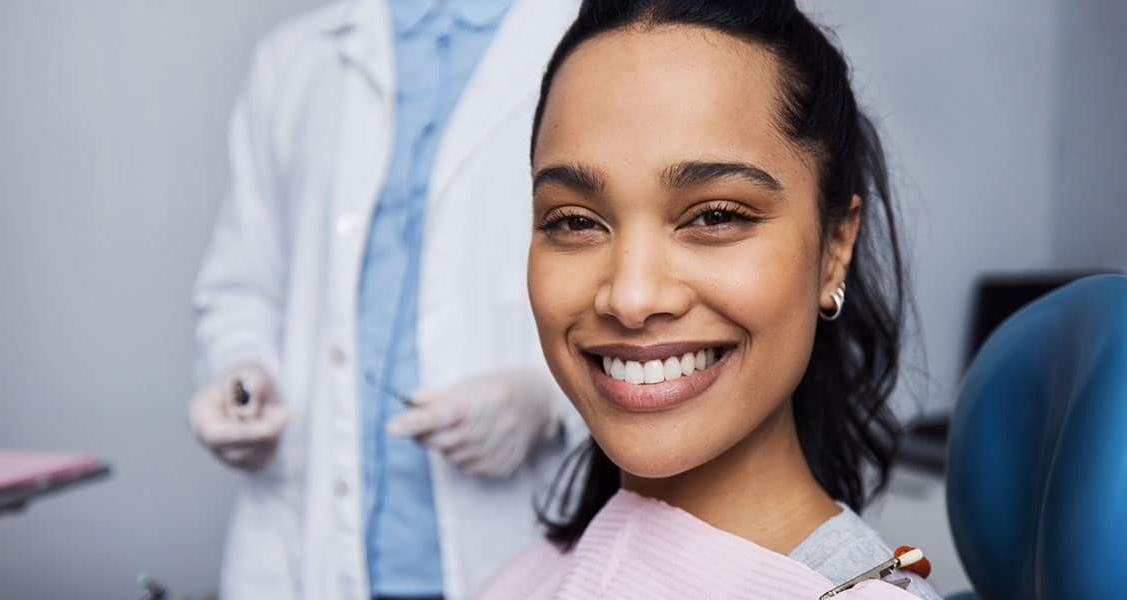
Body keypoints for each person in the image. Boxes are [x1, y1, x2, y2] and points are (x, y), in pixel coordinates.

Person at [481, 1, 942, 598]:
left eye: (716, 215)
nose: (632, 297)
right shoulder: (533, 573)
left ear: (834, 247)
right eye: (574, 222)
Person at [187, 1, 585, 599]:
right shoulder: (296, 59)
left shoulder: (596, 34)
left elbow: (656, 287)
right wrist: (245, 373)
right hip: (305, 552)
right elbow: (243, 288)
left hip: (520, 546)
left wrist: (550, 400)